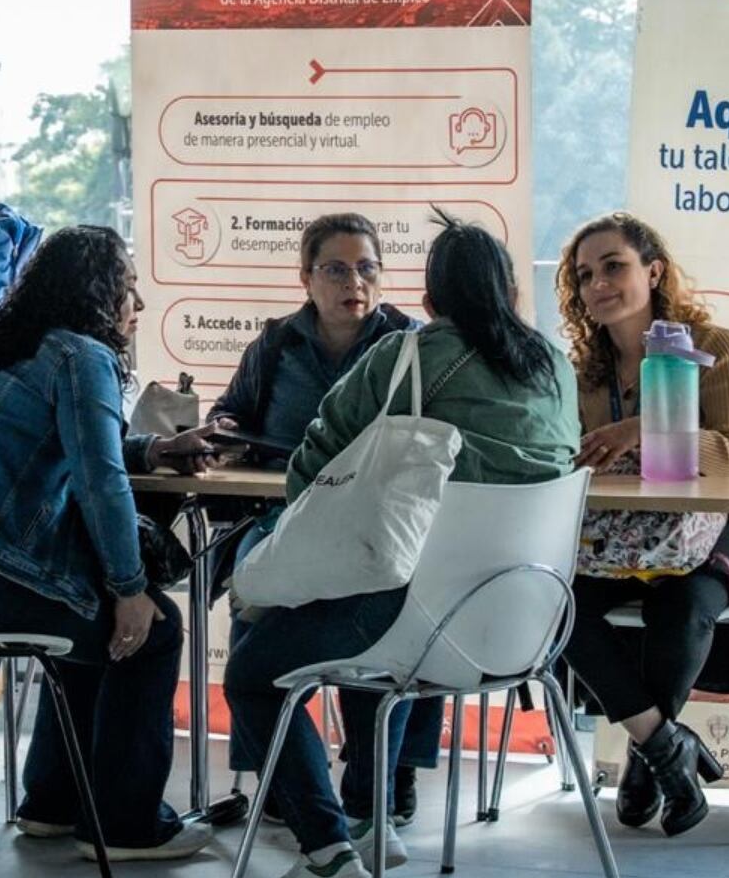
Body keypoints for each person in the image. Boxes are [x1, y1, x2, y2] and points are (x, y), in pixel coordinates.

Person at [224, 212, 578, 878]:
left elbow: (312, 473)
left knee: (251, 674)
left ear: (428, 295)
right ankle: (370, 812)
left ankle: (329, 844)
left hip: (408, 619)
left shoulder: (403, 357)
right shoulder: (554, 367)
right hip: (527, 625)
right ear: (509, 290)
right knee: (371, 616)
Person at [0, 224, 225, 863]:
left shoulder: (12, 346)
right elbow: (99, 480)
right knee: (153, 629)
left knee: (82, 621)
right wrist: (131, 590)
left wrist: (153, 448)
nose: (139, 305)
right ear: (99, 294)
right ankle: (128, 824)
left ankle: (51, 805)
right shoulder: (81, 355)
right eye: (129, 288)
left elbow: (73, 445)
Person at [207, 213, 436, 828]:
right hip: (287, 516)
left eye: (367, 268)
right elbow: (231, 412)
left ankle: (386, 775)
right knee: (252, 596)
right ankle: (283, 775)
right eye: (336, 269)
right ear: (306, 278)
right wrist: (226, 431)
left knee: (403, 593)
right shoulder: (277, 342)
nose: (353, 282)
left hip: (378, 524)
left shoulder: (410, 345)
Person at [553, 211, 729, 837]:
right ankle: (664, 747)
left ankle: (642, 761)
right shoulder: (581, 373)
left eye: (614, 266)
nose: (598, 283)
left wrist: (641, 431)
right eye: (585, 275)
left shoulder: (715, 347)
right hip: (625, 534)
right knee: (553, 601)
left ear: (653, 271)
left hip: (724, 527)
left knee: (681, 604)